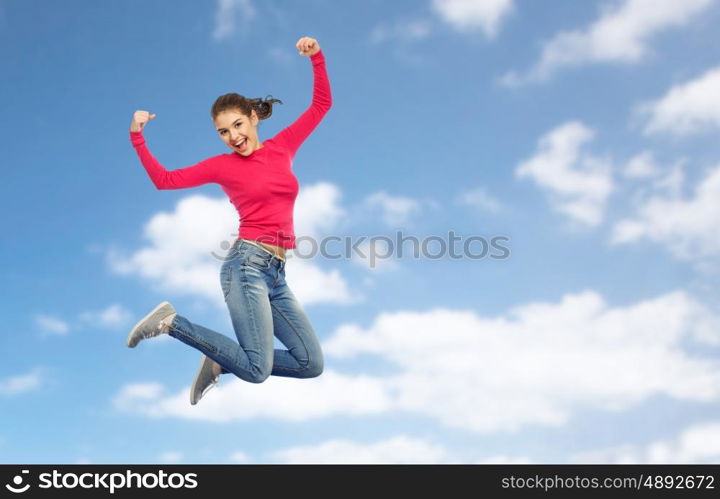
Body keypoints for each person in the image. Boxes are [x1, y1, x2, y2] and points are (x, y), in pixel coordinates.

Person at [125, 36, 331, 405]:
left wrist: (316, 57)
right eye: (224, 132)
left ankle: (219, 358)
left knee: (310, 363)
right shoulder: (221, 166)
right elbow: (165, 180)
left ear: (253, 118)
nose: (234, 137)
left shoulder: (283, 146)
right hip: (246, 266)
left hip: (276, 273)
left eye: (238, 125)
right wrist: (137, 136)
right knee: (256, 370)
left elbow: (321, 105)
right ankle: (171, 322)